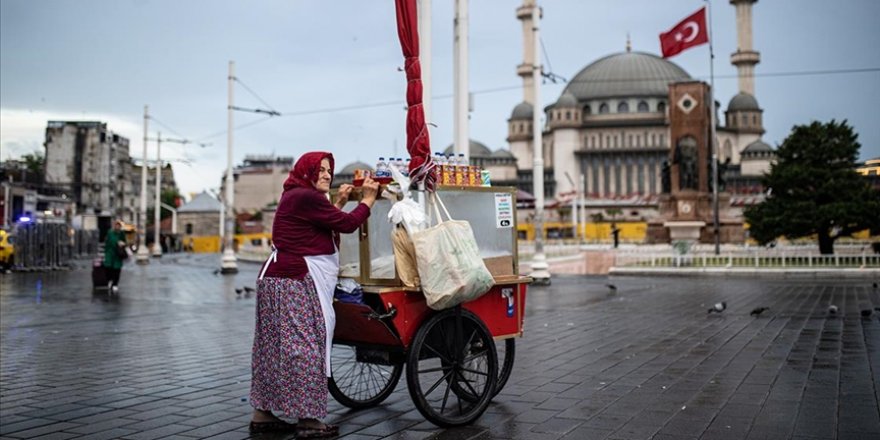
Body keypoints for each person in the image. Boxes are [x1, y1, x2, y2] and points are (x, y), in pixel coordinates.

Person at [249, 151, 379, 436]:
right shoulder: (305, 197)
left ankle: (263, 413)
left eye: (328, 170)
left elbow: (321, 225)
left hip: (277, 278)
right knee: (306, 347)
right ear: (305, 171)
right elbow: (345, 224)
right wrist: (368, 199)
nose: (326, 174)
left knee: (272, 349)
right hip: (294, 281)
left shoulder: (298, 195)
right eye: (319, 169)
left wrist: (340, 202)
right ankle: (309, 421)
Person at [103, 220, 127, 293]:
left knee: (117, 270)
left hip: (118, 254)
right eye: (116, 225)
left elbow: (125, 242)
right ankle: (110, 281)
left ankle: (115, 284)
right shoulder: (110, 233)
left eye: (119, 225)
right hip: (110, 254)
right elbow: (107, 242)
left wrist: (122, 244)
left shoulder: (122, 233)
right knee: (108, 268)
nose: (118, 227)